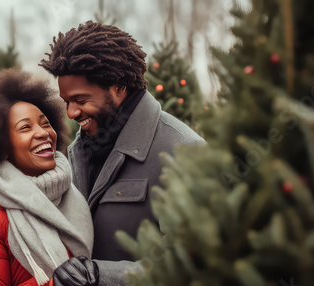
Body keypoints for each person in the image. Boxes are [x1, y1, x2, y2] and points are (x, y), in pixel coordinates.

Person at [40, 21, 205, 285]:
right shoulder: (78, 152)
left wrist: (100, 276)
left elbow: (191, 261)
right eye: (66, 102)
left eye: (81, 100)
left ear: (118, 86)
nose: (71, 113)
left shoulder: (184, 151)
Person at [0, 69, 94, 286]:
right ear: (3, 148)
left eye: (45, 123)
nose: (43, 132)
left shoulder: (74, 196)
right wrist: (54, 284)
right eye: (25, 127)